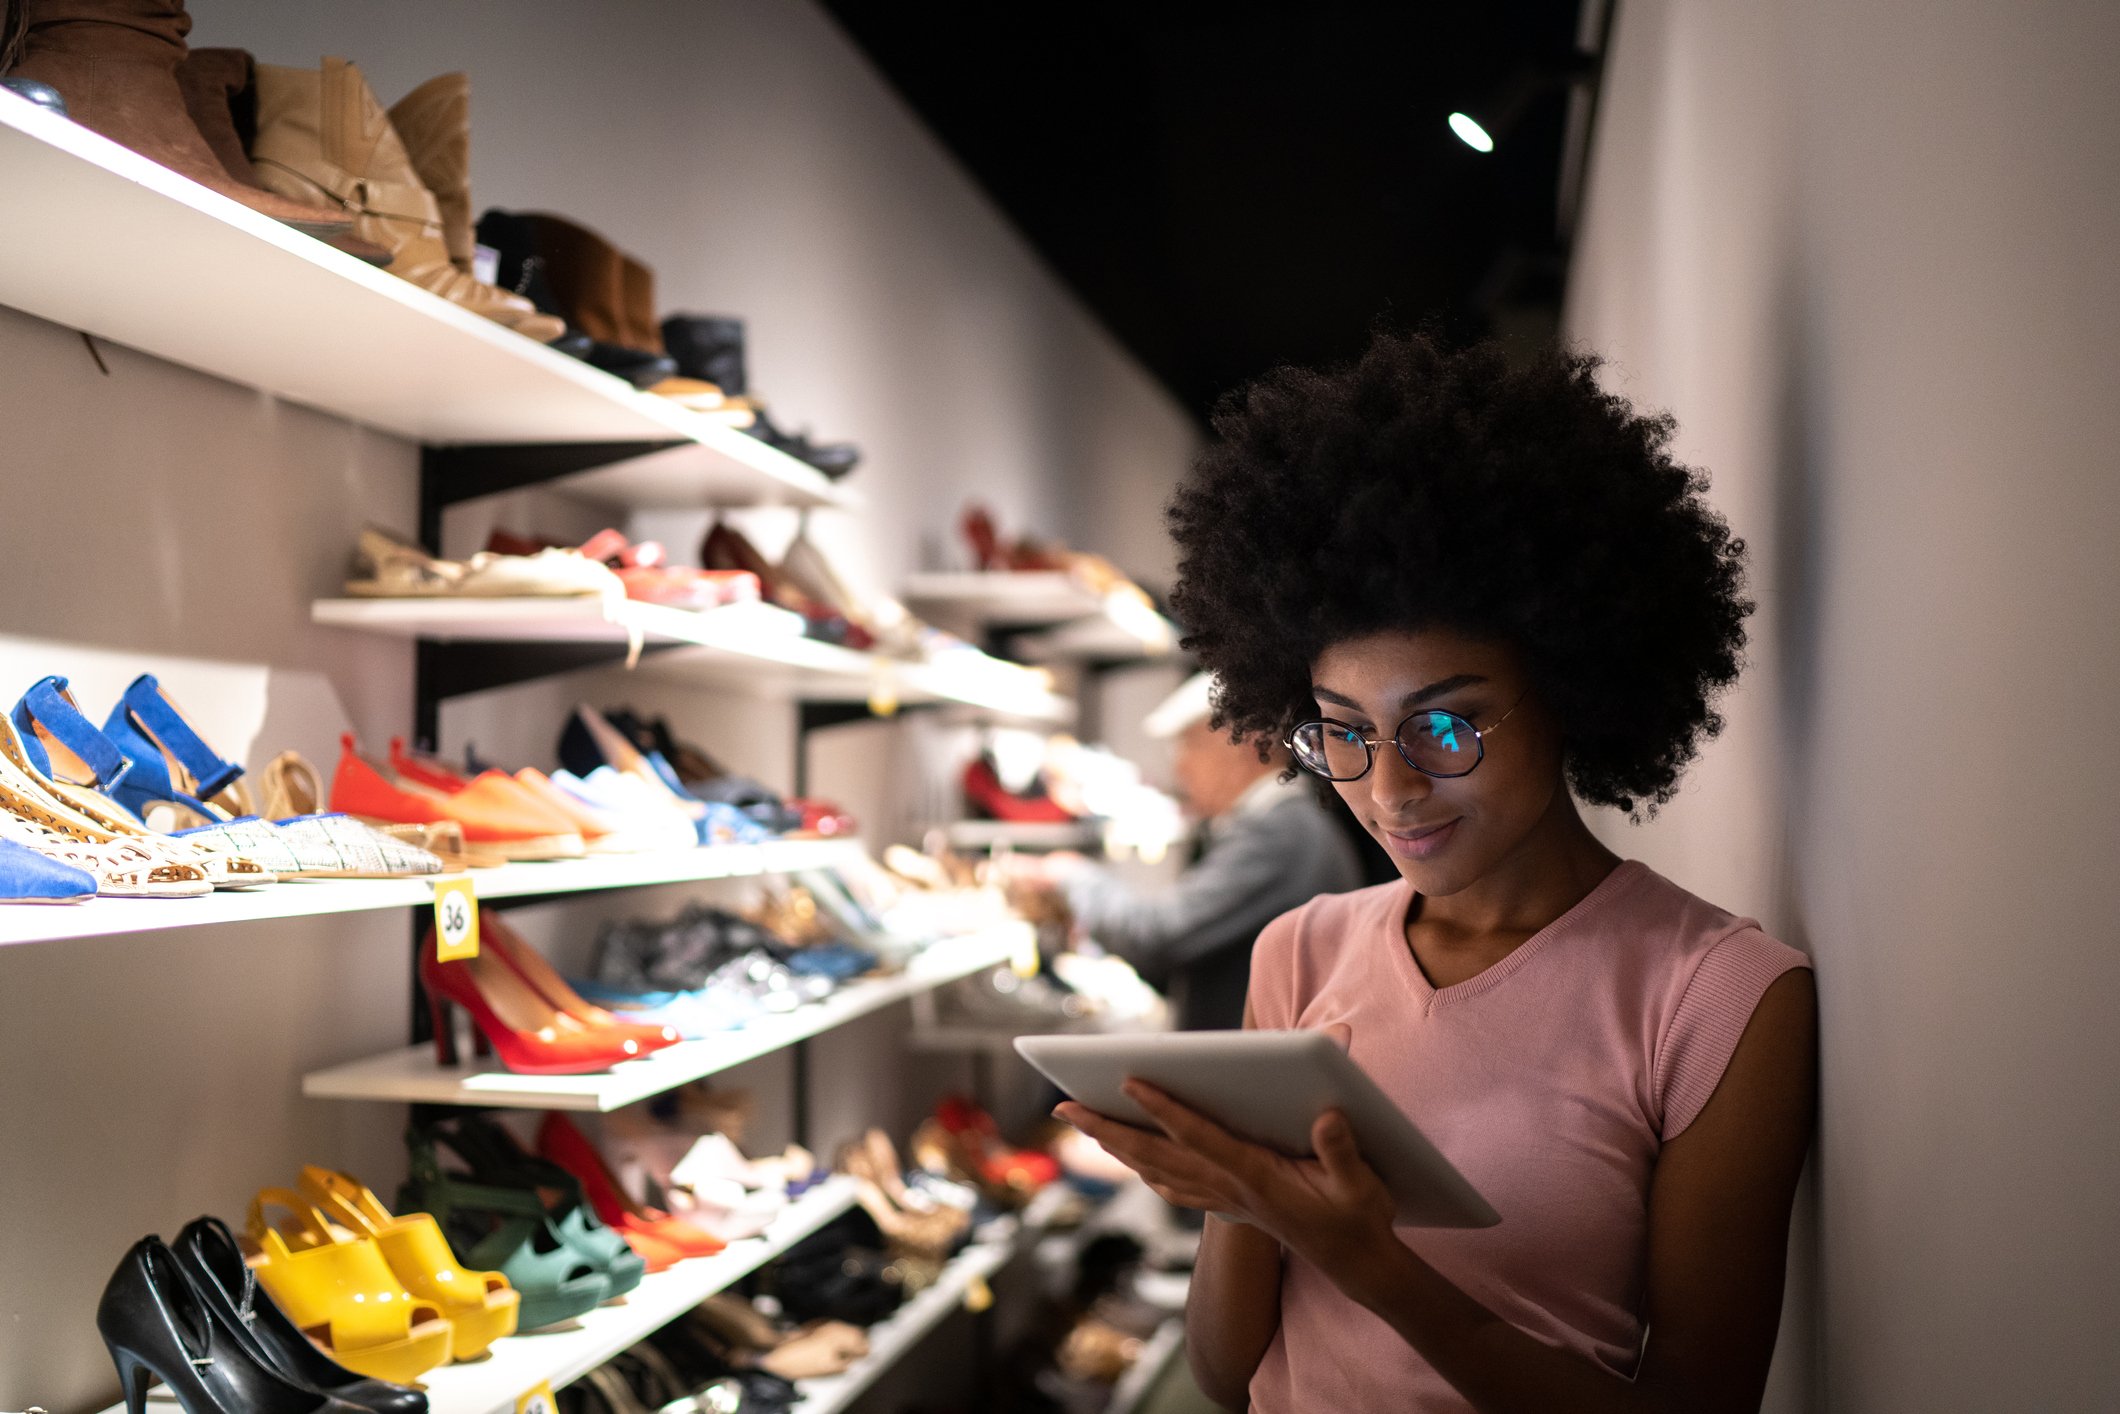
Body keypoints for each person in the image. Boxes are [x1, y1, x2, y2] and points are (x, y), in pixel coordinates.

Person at [1056, 332, 1818, 1413]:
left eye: (1445, 725)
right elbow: (1230, 1378)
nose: (1391, 788)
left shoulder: (1716, 996)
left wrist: (1372, 1263)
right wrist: (1243, 1197)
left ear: (1569, 690)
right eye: (1342, 733)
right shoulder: (1302, 948)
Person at [1039, 671, 1364, 1032]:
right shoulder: (1285, 825)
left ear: (1247, 742)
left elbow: (1156, 936)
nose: (1179, 767)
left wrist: (1071, 877)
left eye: (1190, 746)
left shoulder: (1279, 834)